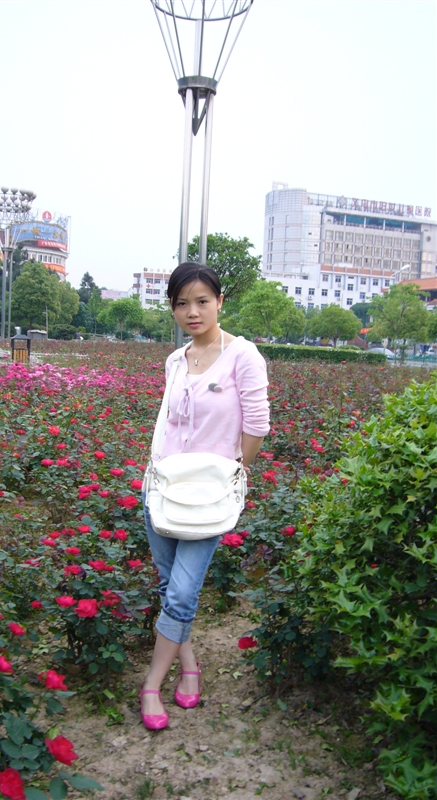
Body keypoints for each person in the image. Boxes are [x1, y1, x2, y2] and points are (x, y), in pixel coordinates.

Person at [140, 262, 270, 730]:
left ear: (219, 302)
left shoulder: (243, 356)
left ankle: (152, 684)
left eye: (201, 301)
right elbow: (170, 424)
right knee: (169, 586)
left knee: (182, 592)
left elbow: (257, 425)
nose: (192, 312)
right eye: (181, 303)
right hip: (162, 487)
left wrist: (233, 474)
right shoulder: (175, 360)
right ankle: (189, 664)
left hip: (208, 497)